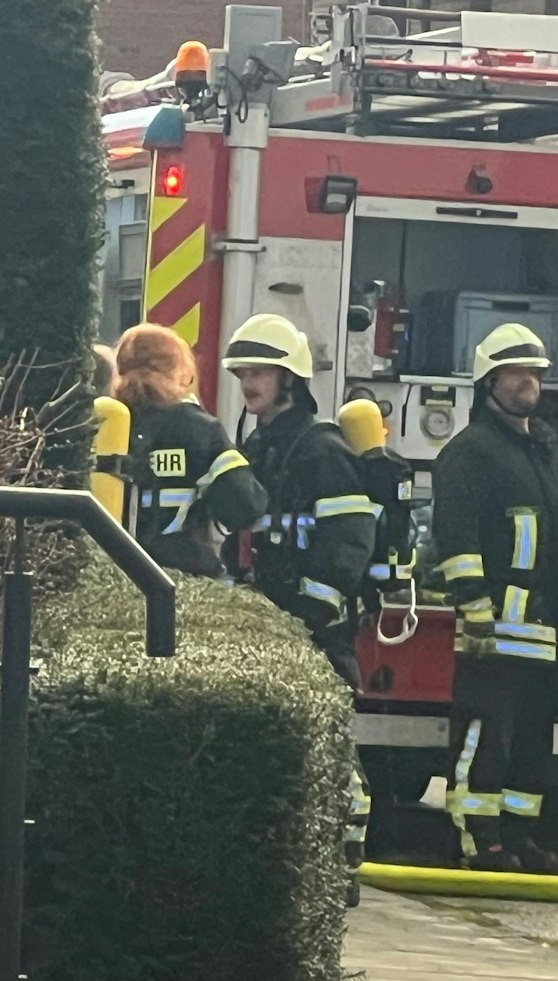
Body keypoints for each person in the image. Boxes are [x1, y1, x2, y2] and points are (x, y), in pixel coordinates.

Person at [221, 312, 378, 893]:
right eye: (242, 373)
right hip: (271, 619)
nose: (248, 383)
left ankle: (343, 863)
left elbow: (350, 540)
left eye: (259, 371)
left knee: (332, 745)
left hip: (317, 629)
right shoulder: (259, 445)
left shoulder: (322, 450)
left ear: (292, 377)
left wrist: (315, 607)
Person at [431, 322, 558, 873]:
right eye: (516, 372)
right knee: (484, 743)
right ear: (489, 380)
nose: (529, 381)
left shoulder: (546, 452)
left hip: (548, 636)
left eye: (536, 372)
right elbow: (456, 539)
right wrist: (474, 610)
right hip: (495, 635)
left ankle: (520, 836)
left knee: (531, 749)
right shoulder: (469, 453)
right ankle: (481, 842)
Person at [113, 324, 266, 577]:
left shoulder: (102, 423)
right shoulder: (197, 427)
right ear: (179, 370)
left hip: (109, 574)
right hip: (180, 576)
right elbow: (244, 506)